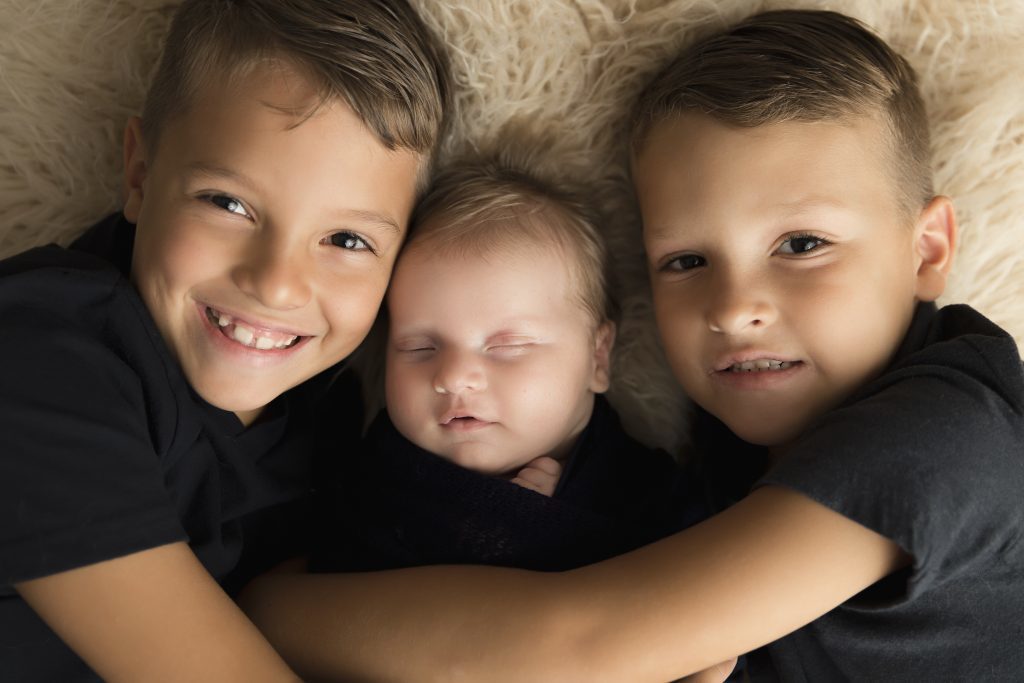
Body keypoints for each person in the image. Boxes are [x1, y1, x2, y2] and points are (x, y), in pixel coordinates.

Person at [239, 9, 1024, 682]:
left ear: (925, 250)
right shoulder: (735, 438)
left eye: (802, 244)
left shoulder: (951, 433)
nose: (734, 308)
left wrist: (266, 607)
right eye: (686, 261)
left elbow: (575, 645)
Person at [0, 0, 449, 680]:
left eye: (346, 239)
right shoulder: (40, 355)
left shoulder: (327, 424)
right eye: (228, 203)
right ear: (140, 174)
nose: (276, 284)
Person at [311, 162, 706, 575]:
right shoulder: (366, 480)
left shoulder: (651, 495)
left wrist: (531, 528)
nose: (453, 377)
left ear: (598, 357)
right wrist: (500, 521)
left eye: (507, 346)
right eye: (419, 347)